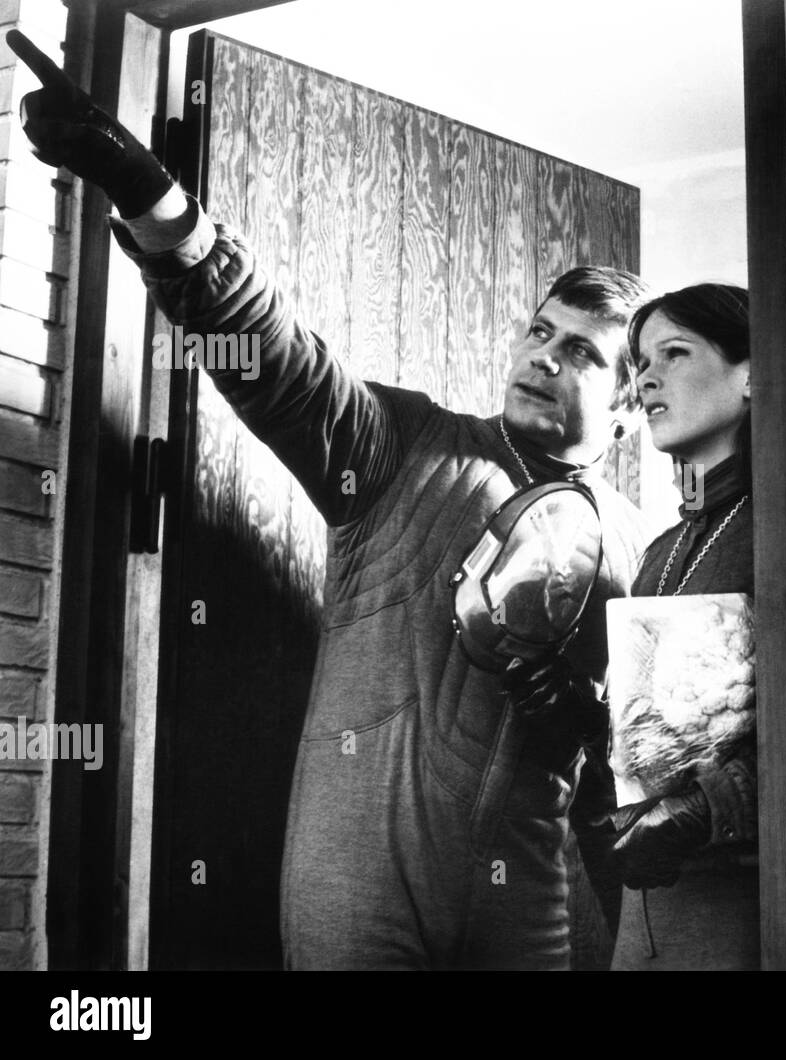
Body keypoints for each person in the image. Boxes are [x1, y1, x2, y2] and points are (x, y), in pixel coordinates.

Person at [6, 29, 651, 970]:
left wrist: (590, 720)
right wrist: (144, 187)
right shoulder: (403, 445)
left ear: (631, 405)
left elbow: (629, 779)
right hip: (360, 894)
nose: (544, 357)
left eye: (584, 352)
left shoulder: (640, 549)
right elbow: (270, 349)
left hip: (529, 910)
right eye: (538, 331)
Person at [614, 284, 761, 969]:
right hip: (643, 914)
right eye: (641, 362)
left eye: (674, 353)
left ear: (752, 373)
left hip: (743, 903)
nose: (646, 377)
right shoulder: (657, 552)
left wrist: (706, 809)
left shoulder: (784, 532)